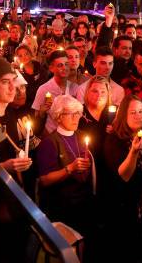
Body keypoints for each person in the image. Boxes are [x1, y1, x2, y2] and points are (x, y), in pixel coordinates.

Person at [102, 95, 142, 259]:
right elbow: (124, 175)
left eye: (141, 111)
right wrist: (134, 151)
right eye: (133, 113)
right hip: (128, 207)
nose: (138, 116)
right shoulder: (114, 140)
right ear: (123, 115)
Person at [36, 95, 95, 237]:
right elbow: (44, 180)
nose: (76, 118)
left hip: (84, 202)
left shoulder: (81, 135)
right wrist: (70, 168)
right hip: (62, 206)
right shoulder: (49, 143)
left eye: (78, 113)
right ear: (59, 116)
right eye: (71, 114)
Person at [32, 50, 78, 136]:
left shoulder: (75, 88)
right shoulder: (43, 89)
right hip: (50, 135)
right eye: (60, 65)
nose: (64, 68)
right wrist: (42, 112)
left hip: (70, 134)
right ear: (51, 68)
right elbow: (36, 117)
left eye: (66, 64)